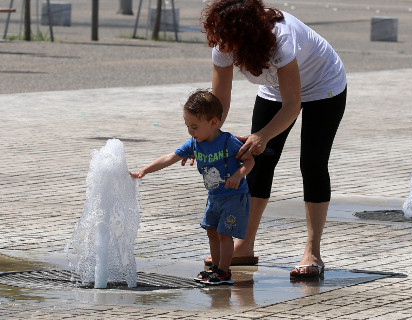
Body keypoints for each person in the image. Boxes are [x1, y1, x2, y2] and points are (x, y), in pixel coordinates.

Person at [201, 0, 347, 278]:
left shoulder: (280, 39)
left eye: (228, 38)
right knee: (257, 161)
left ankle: (312, 252)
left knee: (312, 163)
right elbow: (219, 104)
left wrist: (262, 135)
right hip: (276, 89)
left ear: (246, 33)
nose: (222, 45)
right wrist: (209, 138)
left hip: (323, 85)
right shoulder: (224, 44)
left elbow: (292, 105)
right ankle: (244, 246)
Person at [130, 89, 254, 285]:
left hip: (234, 197)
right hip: (214, 197)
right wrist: (144, 170)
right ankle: (215, 267)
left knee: (224, 234)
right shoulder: (194, 144)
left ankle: (224, 271)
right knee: (212, 231)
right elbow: (169, 158)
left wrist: (239, 175)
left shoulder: (228, 141)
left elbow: (249, 161)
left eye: (194, 127)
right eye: (187, 126)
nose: (190, 131)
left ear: (213, 122)